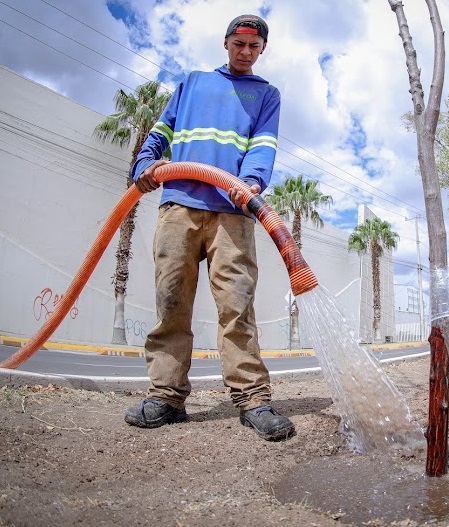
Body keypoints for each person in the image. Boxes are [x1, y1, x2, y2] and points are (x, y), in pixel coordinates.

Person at [124, 14, 295, 441]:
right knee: (171, 302)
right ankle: (166, 396)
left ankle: (253, 400)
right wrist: (146, 164)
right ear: (226, 42)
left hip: (233, 213)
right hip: (179, 204)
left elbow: (263, 145)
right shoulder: (193, 82)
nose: (246, 52)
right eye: (239, 43)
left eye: (254, 47)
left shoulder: (266, 95)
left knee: (237, 306)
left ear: (262, 51)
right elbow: (161, 130)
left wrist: (252, 182)